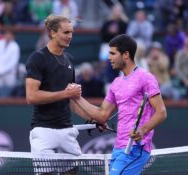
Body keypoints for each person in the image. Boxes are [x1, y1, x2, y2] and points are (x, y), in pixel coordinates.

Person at [73, 34, 167, 175]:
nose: (109, 57)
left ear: (126, 55)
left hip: (135, 148)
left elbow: (161, 112)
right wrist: (75, 97)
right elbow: (102, 114)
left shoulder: (146, 78)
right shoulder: (116, 84)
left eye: (112, 53)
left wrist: (142, 130)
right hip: (119, 148)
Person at [25, 15, 90, 156]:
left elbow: (72, 101)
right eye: (66, 32)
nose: (70, 36)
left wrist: (93, 118)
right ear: (53, 33)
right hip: (43, 130)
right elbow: (31, 96)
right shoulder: (38, 58)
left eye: (72, 32)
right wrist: (66, 94)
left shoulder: (69, 59)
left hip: (67, 130)